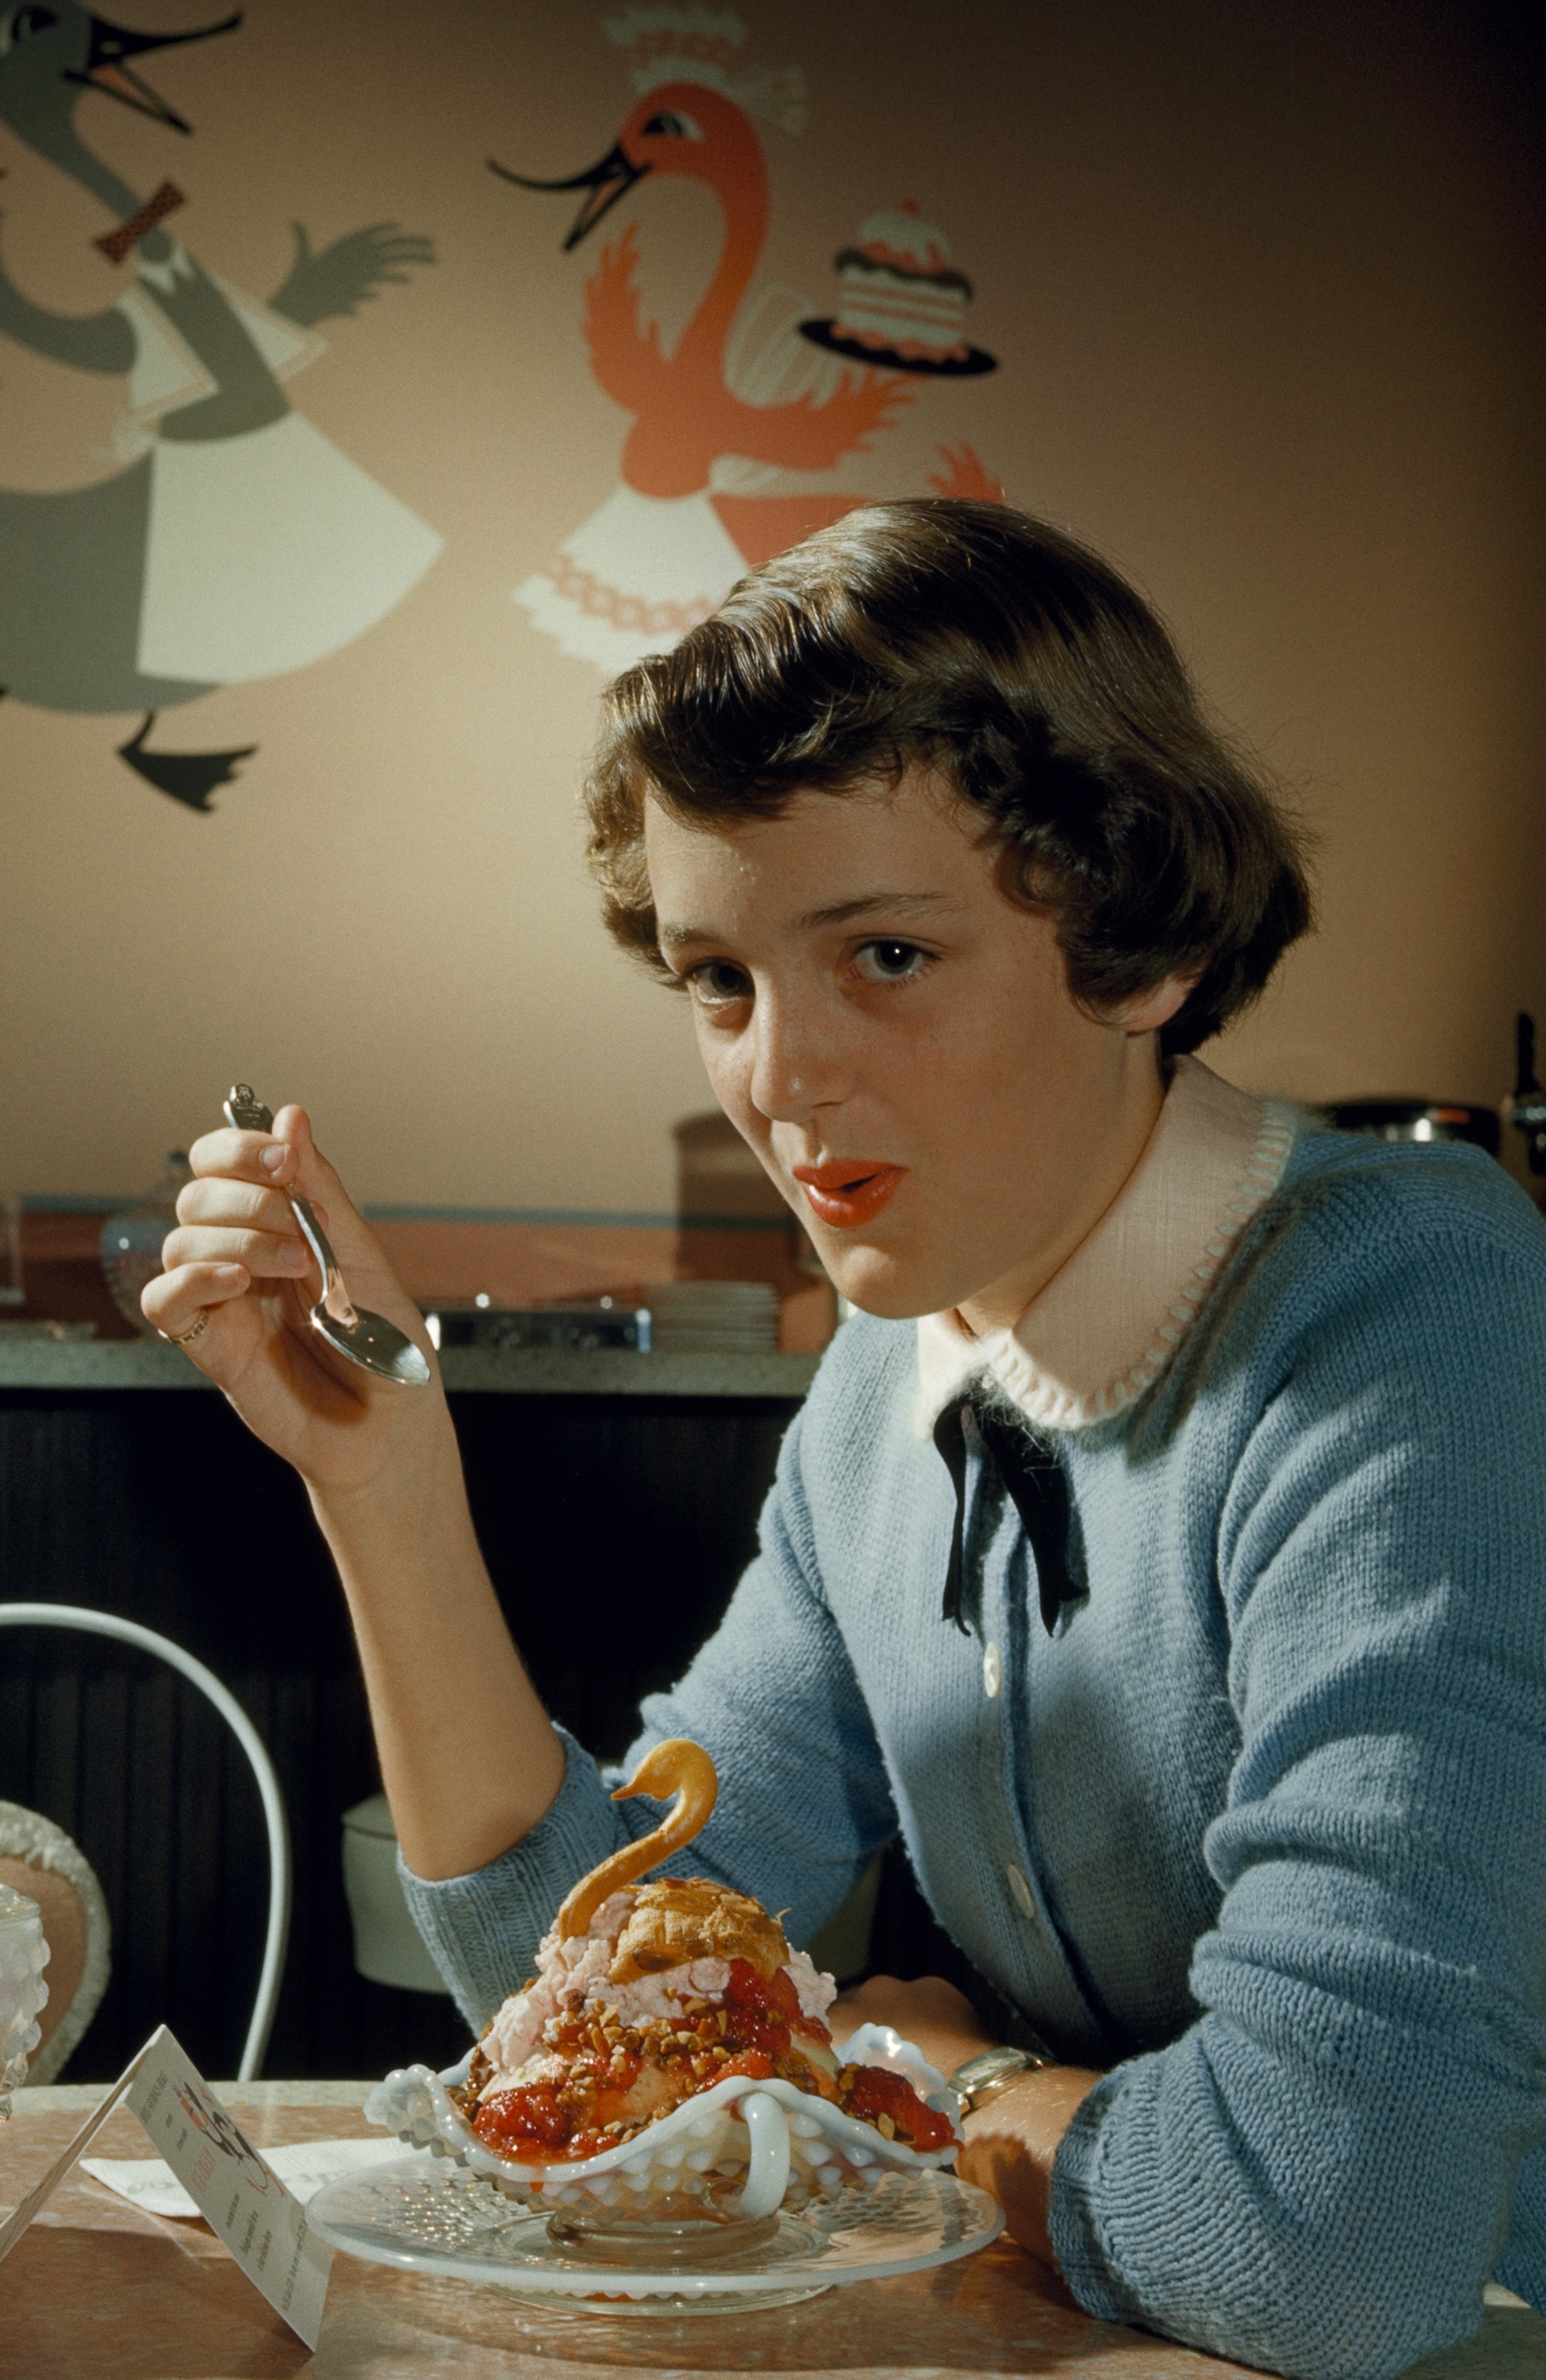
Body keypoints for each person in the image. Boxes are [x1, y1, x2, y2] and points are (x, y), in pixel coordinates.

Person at [144, 501, 1546, 2379]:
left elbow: (1326, 2236)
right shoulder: (888, 1393)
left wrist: (940, 2074)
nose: (778, 1082)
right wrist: (385, 1484)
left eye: (882, 956)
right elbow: (607, 2009)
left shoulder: (1413, 1313)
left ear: (1134, 947)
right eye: (720, 980)